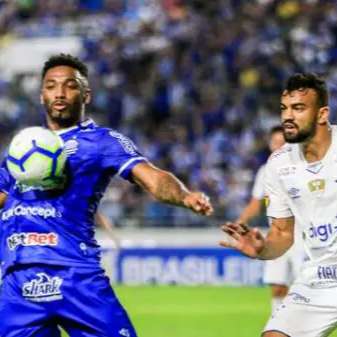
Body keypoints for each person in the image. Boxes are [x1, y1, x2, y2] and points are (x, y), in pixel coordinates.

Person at [0, 53, 213, 337]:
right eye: (51, 86)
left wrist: (185, 196)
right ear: (41, 95)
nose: (60, 93)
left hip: (75, 276)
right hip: (18, 281)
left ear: (86, 95)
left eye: (70, 85)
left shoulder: (102, 141)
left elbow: (151, 177)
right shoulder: (23, 147)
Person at [221, 72, 337, 337]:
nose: (287, 116)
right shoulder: (279, 164)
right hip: (321, 275)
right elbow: (283, 234)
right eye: (284, 108)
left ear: (322, 114)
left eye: (298, 108)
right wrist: (262, 249)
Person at [236, 126, 305, 313]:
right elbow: (255, 204)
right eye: (275, 143)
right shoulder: (265, 171)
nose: (279, 147)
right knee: (277, 286)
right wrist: (239, 223)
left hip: (303, 237)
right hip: (276, 235)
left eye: (283, 143)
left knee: (305, 289)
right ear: (269, 145)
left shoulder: (304, 168)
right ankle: (279, 325)